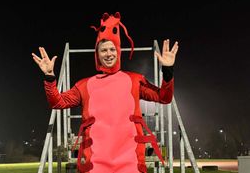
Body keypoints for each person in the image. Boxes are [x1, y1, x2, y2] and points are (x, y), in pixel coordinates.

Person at [32, 12, 179, 173]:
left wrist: (167, 71)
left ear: (118, 51)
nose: (108, 54)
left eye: (112, 49)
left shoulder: (134, 80)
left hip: (129, 163)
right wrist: (49, 77)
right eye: (103, 51)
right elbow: (57, 102)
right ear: (97, 55)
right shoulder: (85, 85)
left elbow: (164, 97)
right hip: (96, 164)